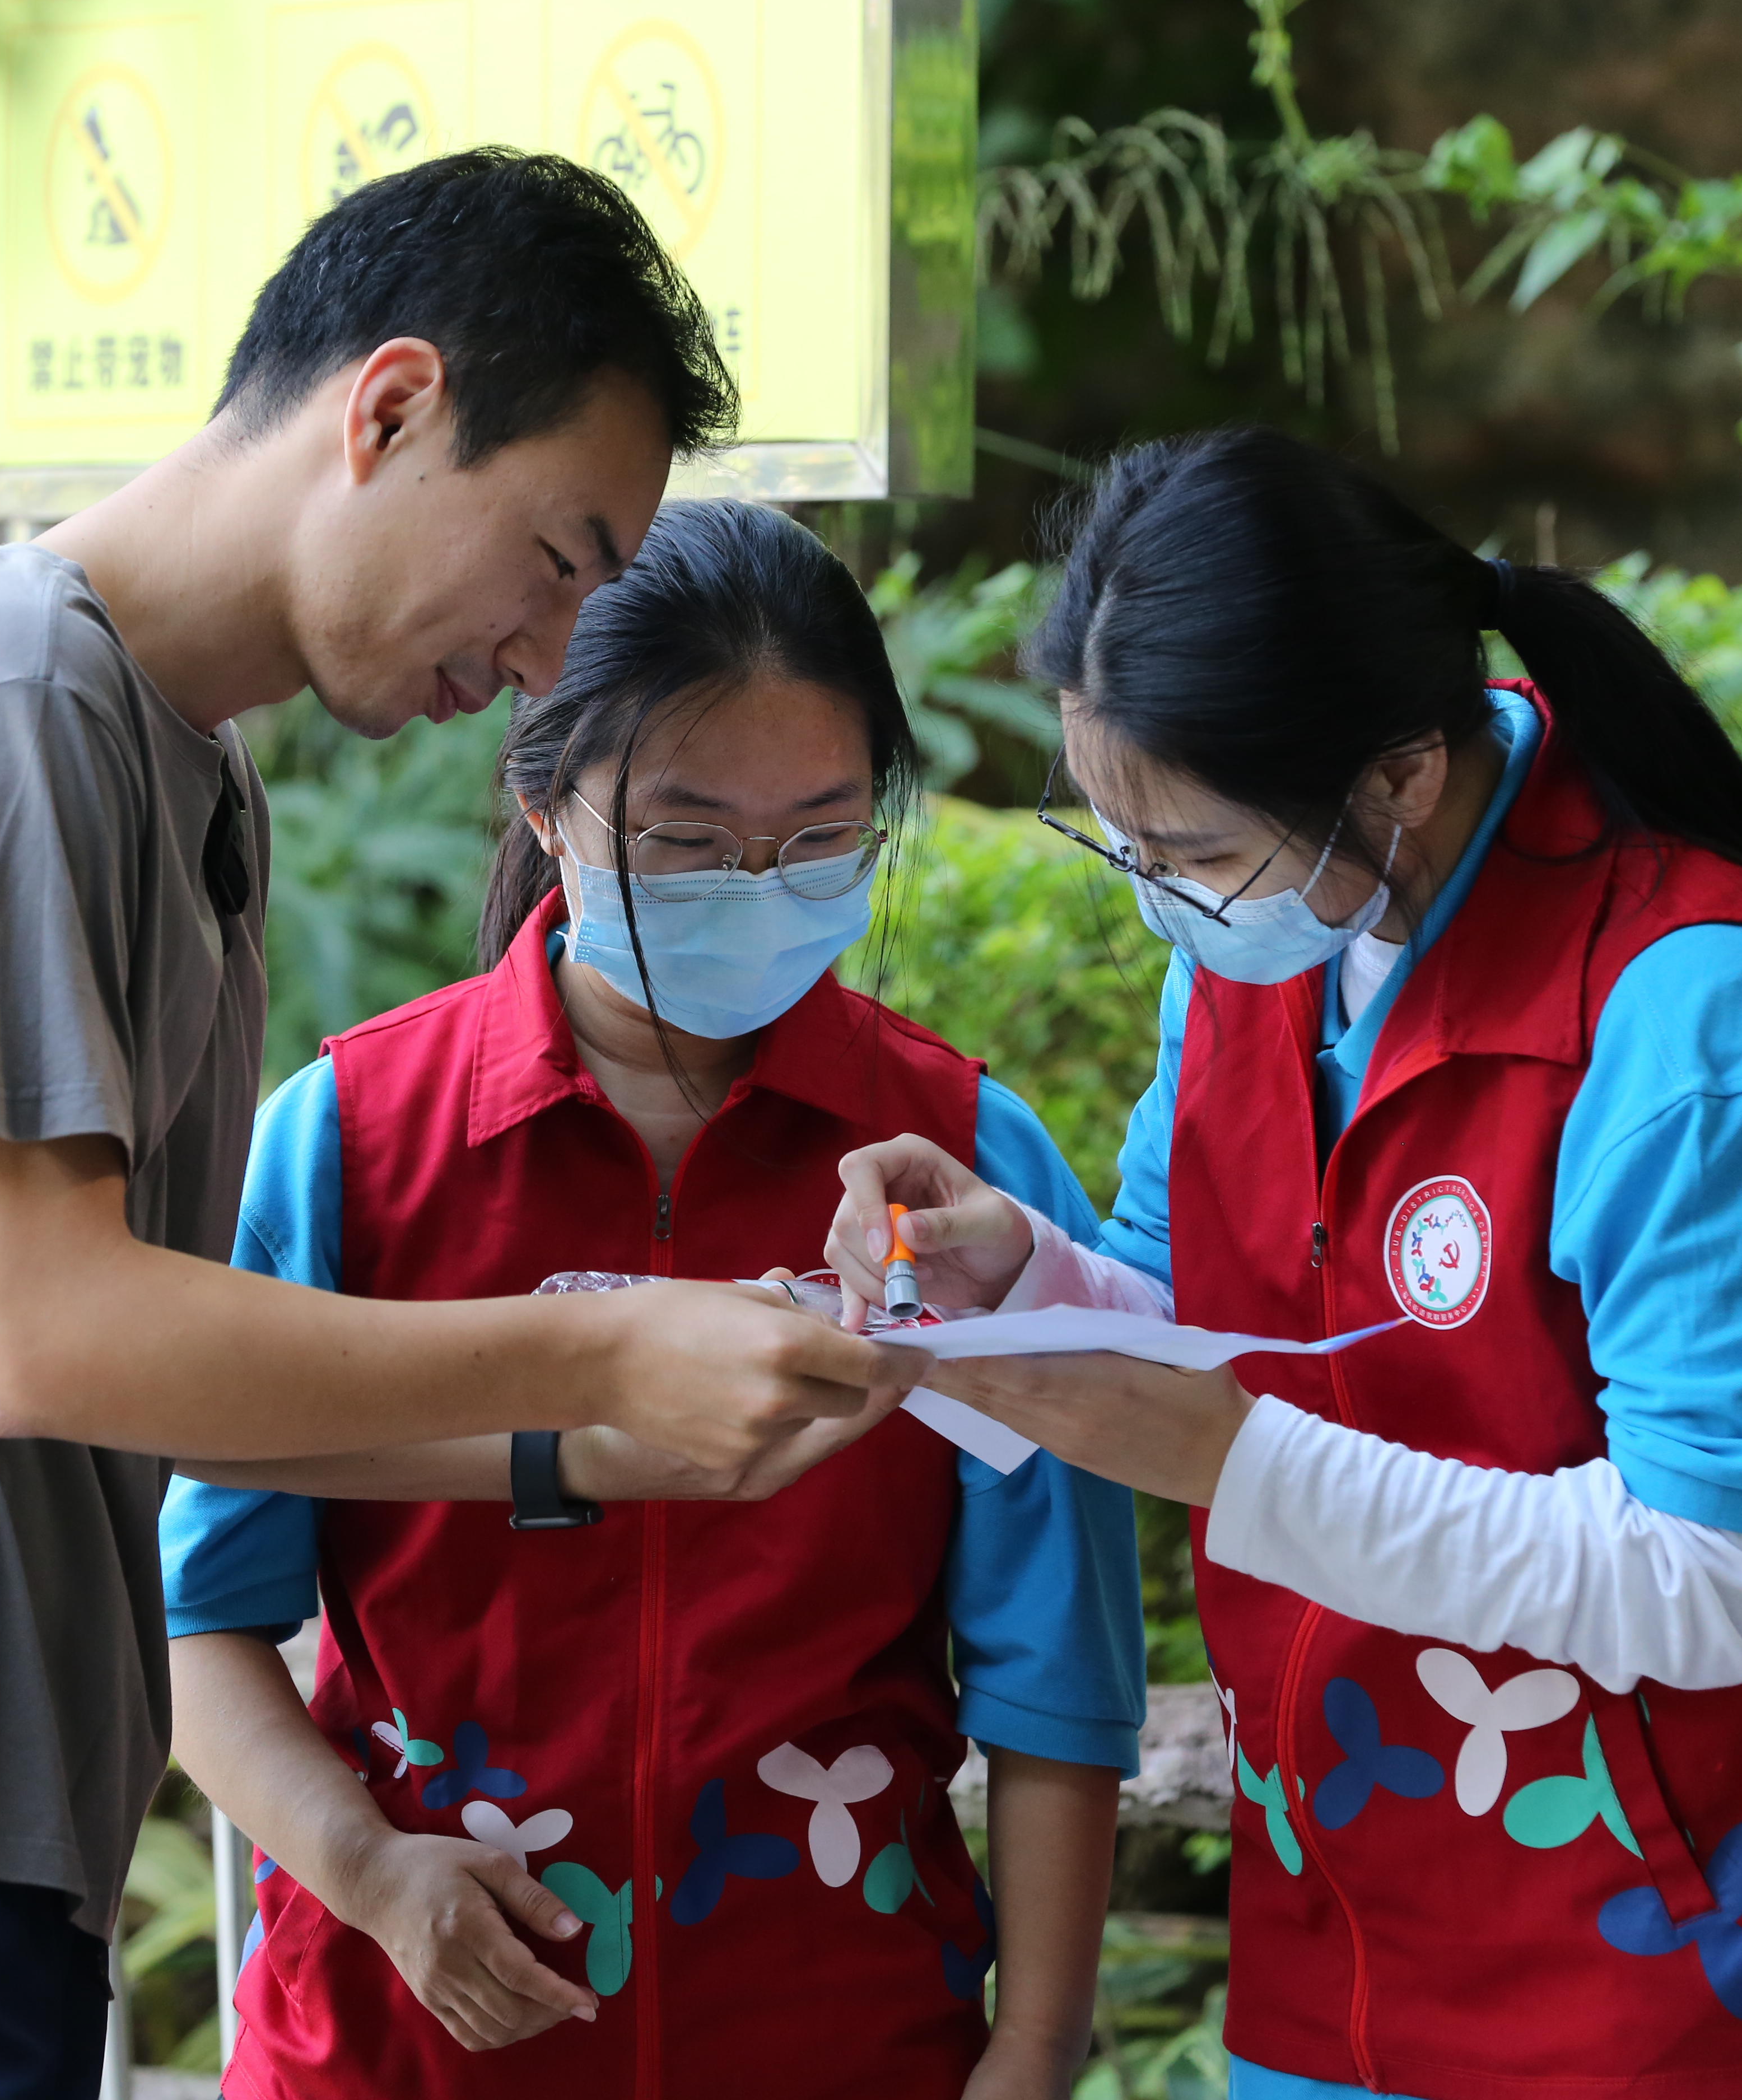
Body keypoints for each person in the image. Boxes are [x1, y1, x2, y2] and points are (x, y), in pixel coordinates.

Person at [0, 154, 931, 2100]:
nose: (548, 663)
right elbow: (49, 1336)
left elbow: (182, 1383)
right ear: (389, 409)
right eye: (556, 560)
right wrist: (611, 1337)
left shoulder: (176, 762)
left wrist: (606, 1448)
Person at [822, 430, 1742, 2100]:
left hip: (1678, 2001)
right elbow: (1215, 1325)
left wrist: (1220, 1458)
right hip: (1340, 1956)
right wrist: (1023, 1282)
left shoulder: (1705, 1028)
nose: (1162, 903)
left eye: (1191, 853)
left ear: (1404, 773)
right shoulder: (1274, 940)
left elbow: (1709, 1584)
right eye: (1121, 842)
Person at [162, 498, 1143, 2100]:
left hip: (839, 2035)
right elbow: (199, 1616)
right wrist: (367, 1871)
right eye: (686, 838)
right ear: (544, 802)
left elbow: (1058, 1670)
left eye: (821, 835)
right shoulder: (352, 1146)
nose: (755, 882)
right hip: (407, 2042)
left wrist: (1031, 2050)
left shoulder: (962, 1172)